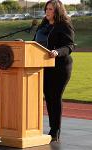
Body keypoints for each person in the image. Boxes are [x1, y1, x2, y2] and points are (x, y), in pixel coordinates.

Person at [33, 0, 75, 142]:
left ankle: (55, 130)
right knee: (48, 97)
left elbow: (69, 46)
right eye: (46, 9)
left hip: (60, 67)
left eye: (50, 9)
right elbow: (34, 43)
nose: (47, 11)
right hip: (43, 66)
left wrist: (57, 52)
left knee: (55, 96)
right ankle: (52, 127)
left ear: (57, 11)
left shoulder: (64, 25)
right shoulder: (43, 25)